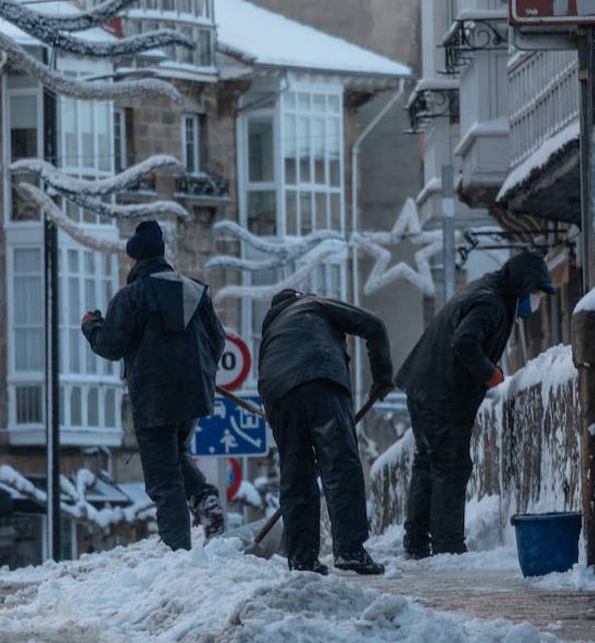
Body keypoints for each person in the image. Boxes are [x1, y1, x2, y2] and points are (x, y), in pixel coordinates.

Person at [395, 251, 555, 558]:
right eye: (535, 293)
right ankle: (447, 546)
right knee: (451, 466)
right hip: (441, 394)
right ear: (522, 286)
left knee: (428, 462)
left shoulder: (487, 291)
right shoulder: (491, 302)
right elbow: (465, 341)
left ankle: (416, 542)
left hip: (425, 386)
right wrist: (490, 374)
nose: (536, 301)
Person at [82, 221, 226, 550]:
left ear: (135, 259)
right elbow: (217, 340)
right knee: (173, 455)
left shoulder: (132, 297)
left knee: (163, 479)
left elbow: (112, 344)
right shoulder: (194, 291)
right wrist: (200, 374)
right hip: (192, 395)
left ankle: (177, 554)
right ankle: (205, 499)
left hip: (153, 397)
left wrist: (91, 326)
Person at [257, 289, 394, 575]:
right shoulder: (314, 303)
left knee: (296, 475)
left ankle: (302, 560)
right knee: (339, 466)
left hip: (278, 395)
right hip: (321, 380)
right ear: (299, 296)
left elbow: (264, 377)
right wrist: (382, 378)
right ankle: (350, 551)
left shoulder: (271, 330)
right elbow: (375, 326)